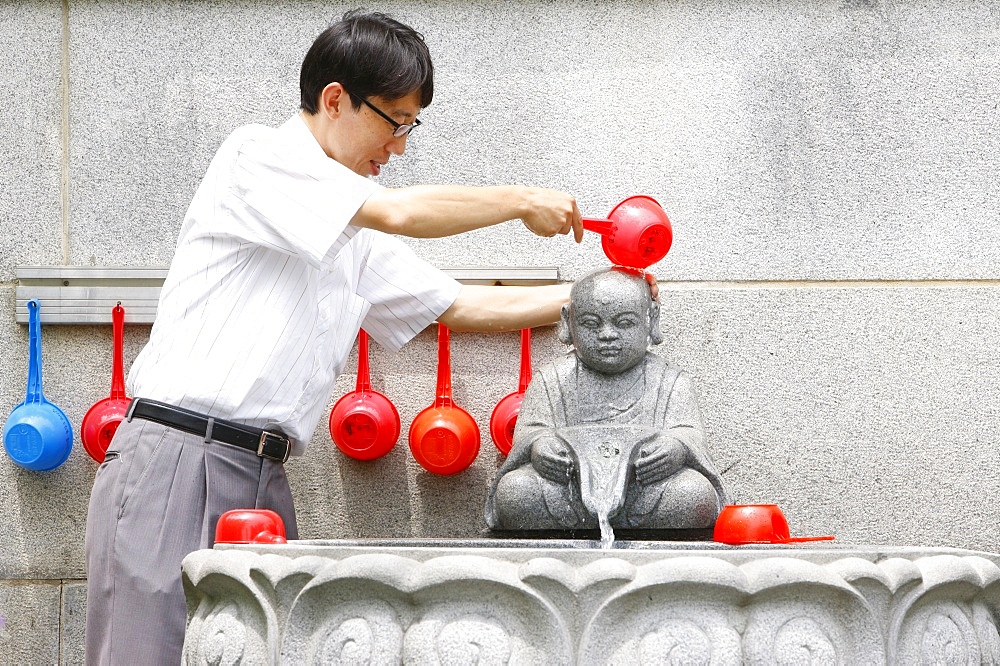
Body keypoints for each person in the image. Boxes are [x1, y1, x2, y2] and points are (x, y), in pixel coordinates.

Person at [84, 11, 585, 665]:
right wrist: (519, 200)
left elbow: (455, 305)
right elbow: (403, 210)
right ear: (334, 99)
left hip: (263, 473)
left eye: (412, 127)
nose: (399, 146)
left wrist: (588, 301)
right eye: (394, 121)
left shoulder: (352, 231)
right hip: (176, 460)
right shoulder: (256, 157)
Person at [486, 268, 727, 532]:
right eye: (591, 323)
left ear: (651, 320)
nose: (607, 334)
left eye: (624, 323)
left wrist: (675, 449)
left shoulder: (670, 380)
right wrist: (540, 447)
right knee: (515, 492)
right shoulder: (552, 378)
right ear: (569, 321)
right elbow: (531, 432)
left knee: (694, 494)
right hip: (569, 496)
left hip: (642, 492)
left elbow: (689, 433)